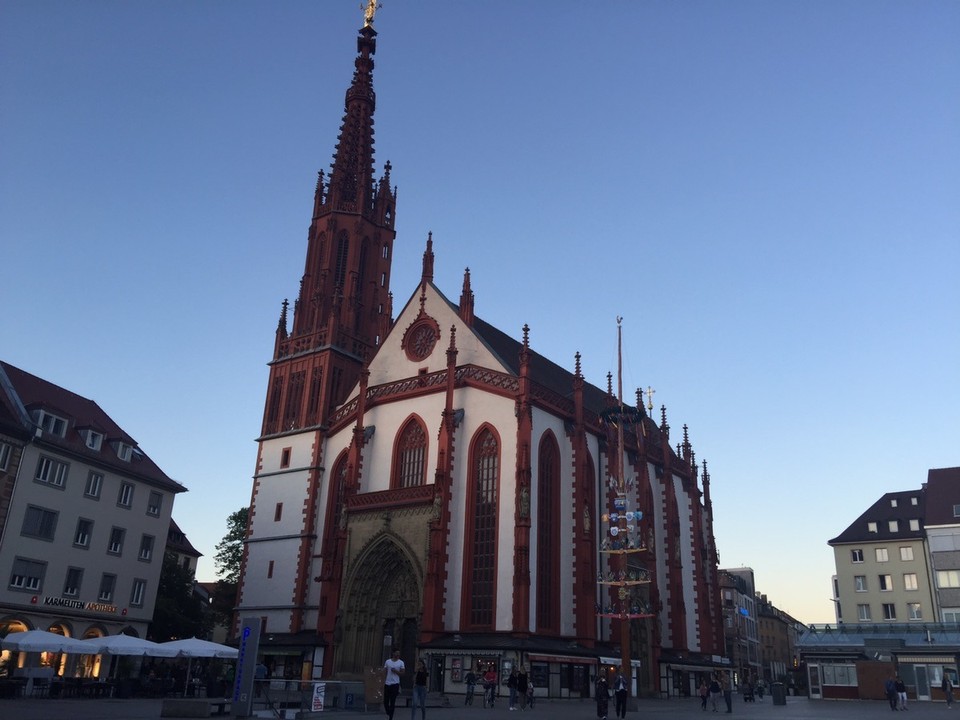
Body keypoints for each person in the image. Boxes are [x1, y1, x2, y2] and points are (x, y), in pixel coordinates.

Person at [383, 648, 405, 720]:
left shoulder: (401, 662)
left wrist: (396, 671)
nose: (398, 655)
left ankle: (391, 717)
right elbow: (385, 671)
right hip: (387, 683)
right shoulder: (388, 662)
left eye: (399, 653)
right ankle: (388, 711)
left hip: (395, 684)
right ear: (393, 653)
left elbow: (402, 673)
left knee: (392, 701)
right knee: (385, 701)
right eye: (396, 653)